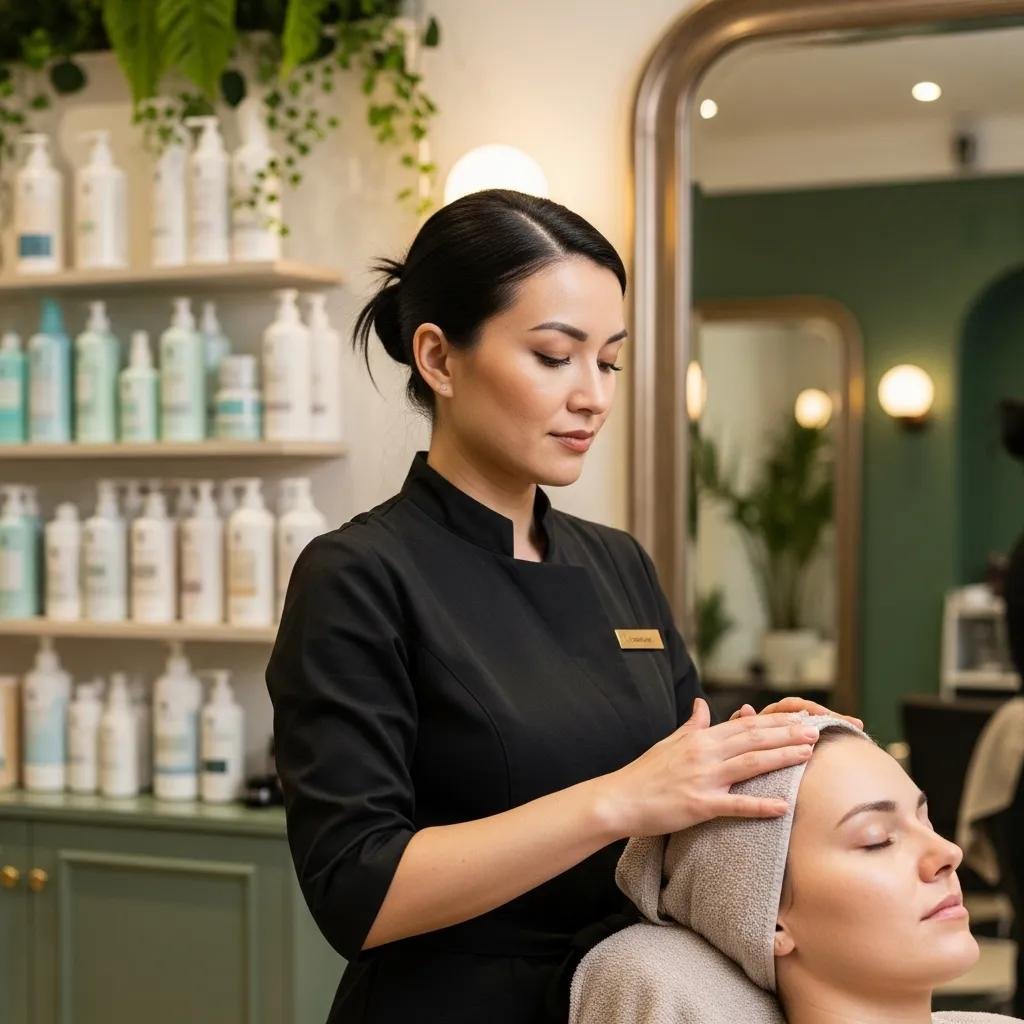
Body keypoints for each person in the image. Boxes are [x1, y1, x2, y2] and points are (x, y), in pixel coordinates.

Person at [264, 188, 862, 1024]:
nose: (594, 396)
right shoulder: (358, 576)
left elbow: (679, 794)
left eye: (609, 361)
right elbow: (356, 891)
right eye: (555, 356)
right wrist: (619, 798)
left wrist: (769, 751)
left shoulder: (617, 562)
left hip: (626, 1000)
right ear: (438, 359)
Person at [571, 713, 1020, 1024]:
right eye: (877, 840)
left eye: (925, 820)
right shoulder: (646, 975)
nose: (947, 853)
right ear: (764, 917)